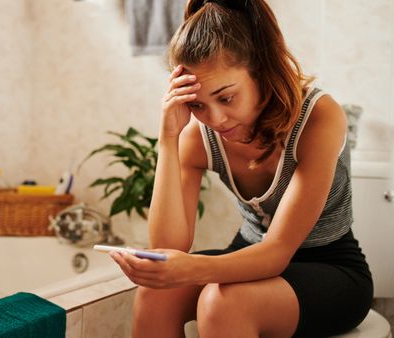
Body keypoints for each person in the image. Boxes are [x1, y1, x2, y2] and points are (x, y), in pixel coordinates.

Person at [109, 0, 373, 337]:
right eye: (197, 104)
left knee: (222, 303)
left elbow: (277, 254)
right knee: (156, 294)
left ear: (260, 70)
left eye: (226, 97)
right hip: (247, 256)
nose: (215, 119)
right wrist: (168, 138)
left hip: (330, 266)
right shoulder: (198, 135)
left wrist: (190, 269)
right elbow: (170, 246)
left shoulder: (318, 118)